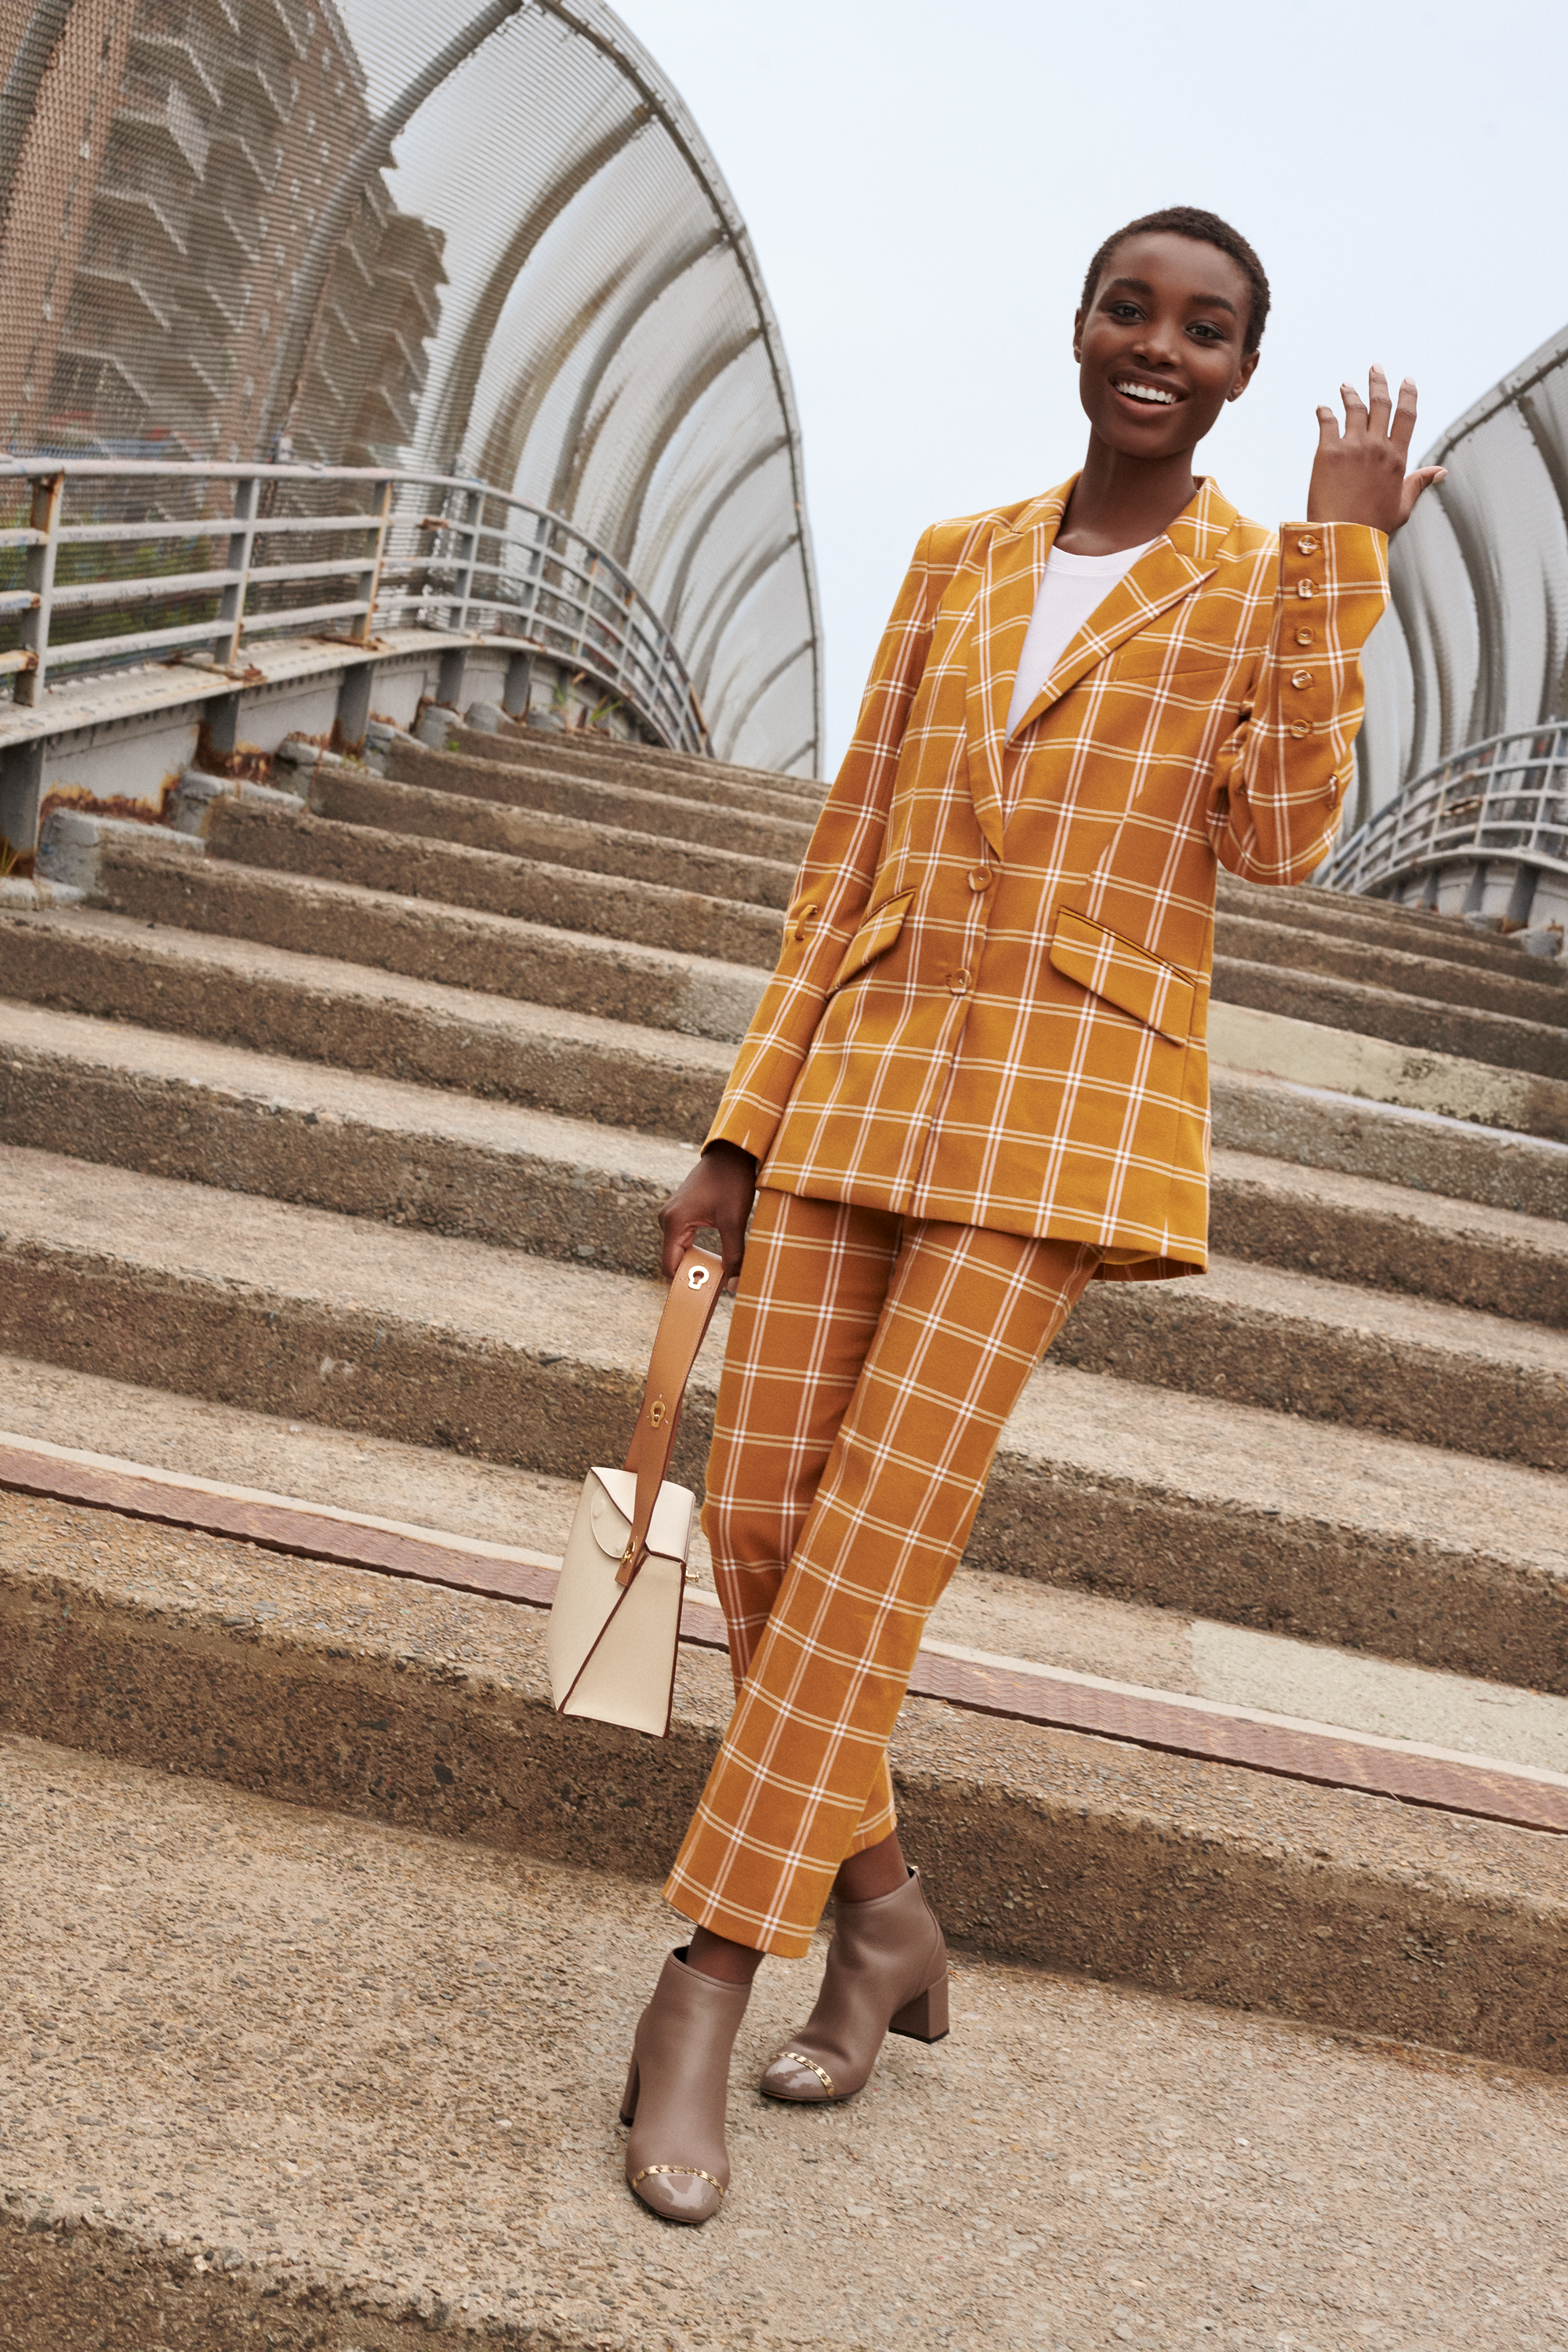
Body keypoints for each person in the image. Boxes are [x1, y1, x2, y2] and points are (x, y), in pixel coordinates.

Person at [618, 205, 1443, 2225]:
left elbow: (1280, 836)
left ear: (1248, 368)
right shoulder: (956, 562)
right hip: (860, 1078)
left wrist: (1346, 558)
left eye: (1210, 328)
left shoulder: (1264, 579)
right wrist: (740, 1120)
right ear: (1077, 326)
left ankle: (706, 1982)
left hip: (1064, 1120)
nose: (1160, 346)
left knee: (874, 1547)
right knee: (758, 1522)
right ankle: (886, 1914)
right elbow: (843, 851)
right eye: (1130, 307)